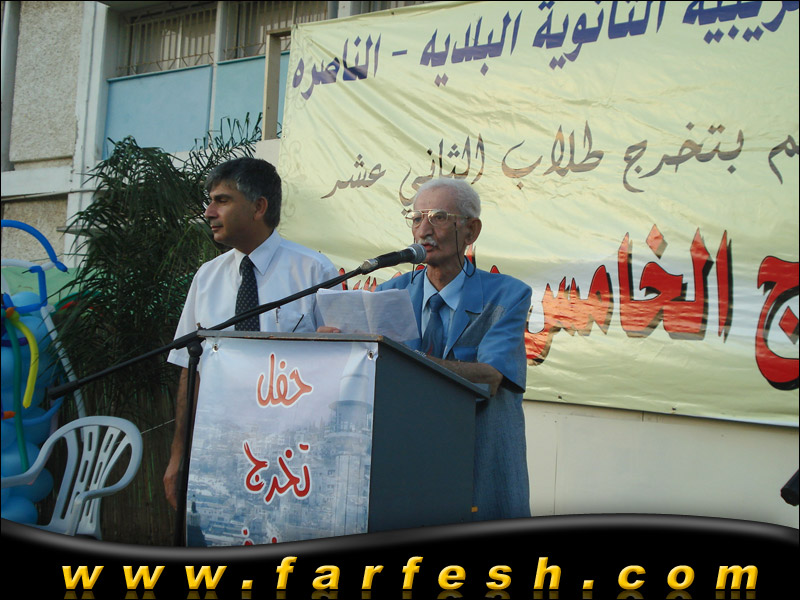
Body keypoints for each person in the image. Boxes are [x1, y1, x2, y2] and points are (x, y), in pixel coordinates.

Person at [162, 157, 337, 510]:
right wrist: (179, 454)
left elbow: (336, 367)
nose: (209, 212)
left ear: (259, 207)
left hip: (293, 455)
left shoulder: (314, 271)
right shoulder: (207, 277)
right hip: (220, 449)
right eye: (210, 201)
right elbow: (189, 370)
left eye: (222, 201)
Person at [378, 177, 532, 520]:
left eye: (439, 217)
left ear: (471, 230)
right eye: (416, 219)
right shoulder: (389, 294)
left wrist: (406, 360)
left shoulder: (507, 295)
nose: (423, 231)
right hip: (407, 464)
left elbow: (490, 377)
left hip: (477, 462)